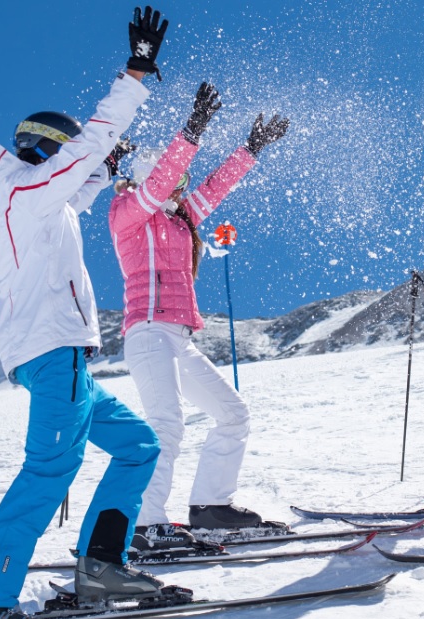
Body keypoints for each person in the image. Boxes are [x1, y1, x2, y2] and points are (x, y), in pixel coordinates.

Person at [0, 7, 176, 619]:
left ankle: (101, 565)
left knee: (138, 444)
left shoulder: (25, 197)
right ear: (51, 150)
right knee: (49, 469)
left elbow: (80, 182)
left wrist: (106, 170)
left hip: (56, 355)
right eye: (70, 155)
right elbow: (86, 149)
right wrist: (136, 74)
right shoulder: (29, 190)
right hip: (55, 352)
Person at [107, 82, 289, 547]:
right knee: (166, 424)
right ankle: (146, 524)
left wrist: (250, 149)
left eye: (181, 186)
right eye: (171, 183)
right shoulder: (129, 212)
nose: (180, 190)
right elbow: (164, 179)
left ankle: (211, 507)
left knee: (232, 414)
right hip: (147, 333)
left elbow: (216, 187)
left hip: (178, 337)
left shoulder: (180, 218)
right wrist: (193, 129)